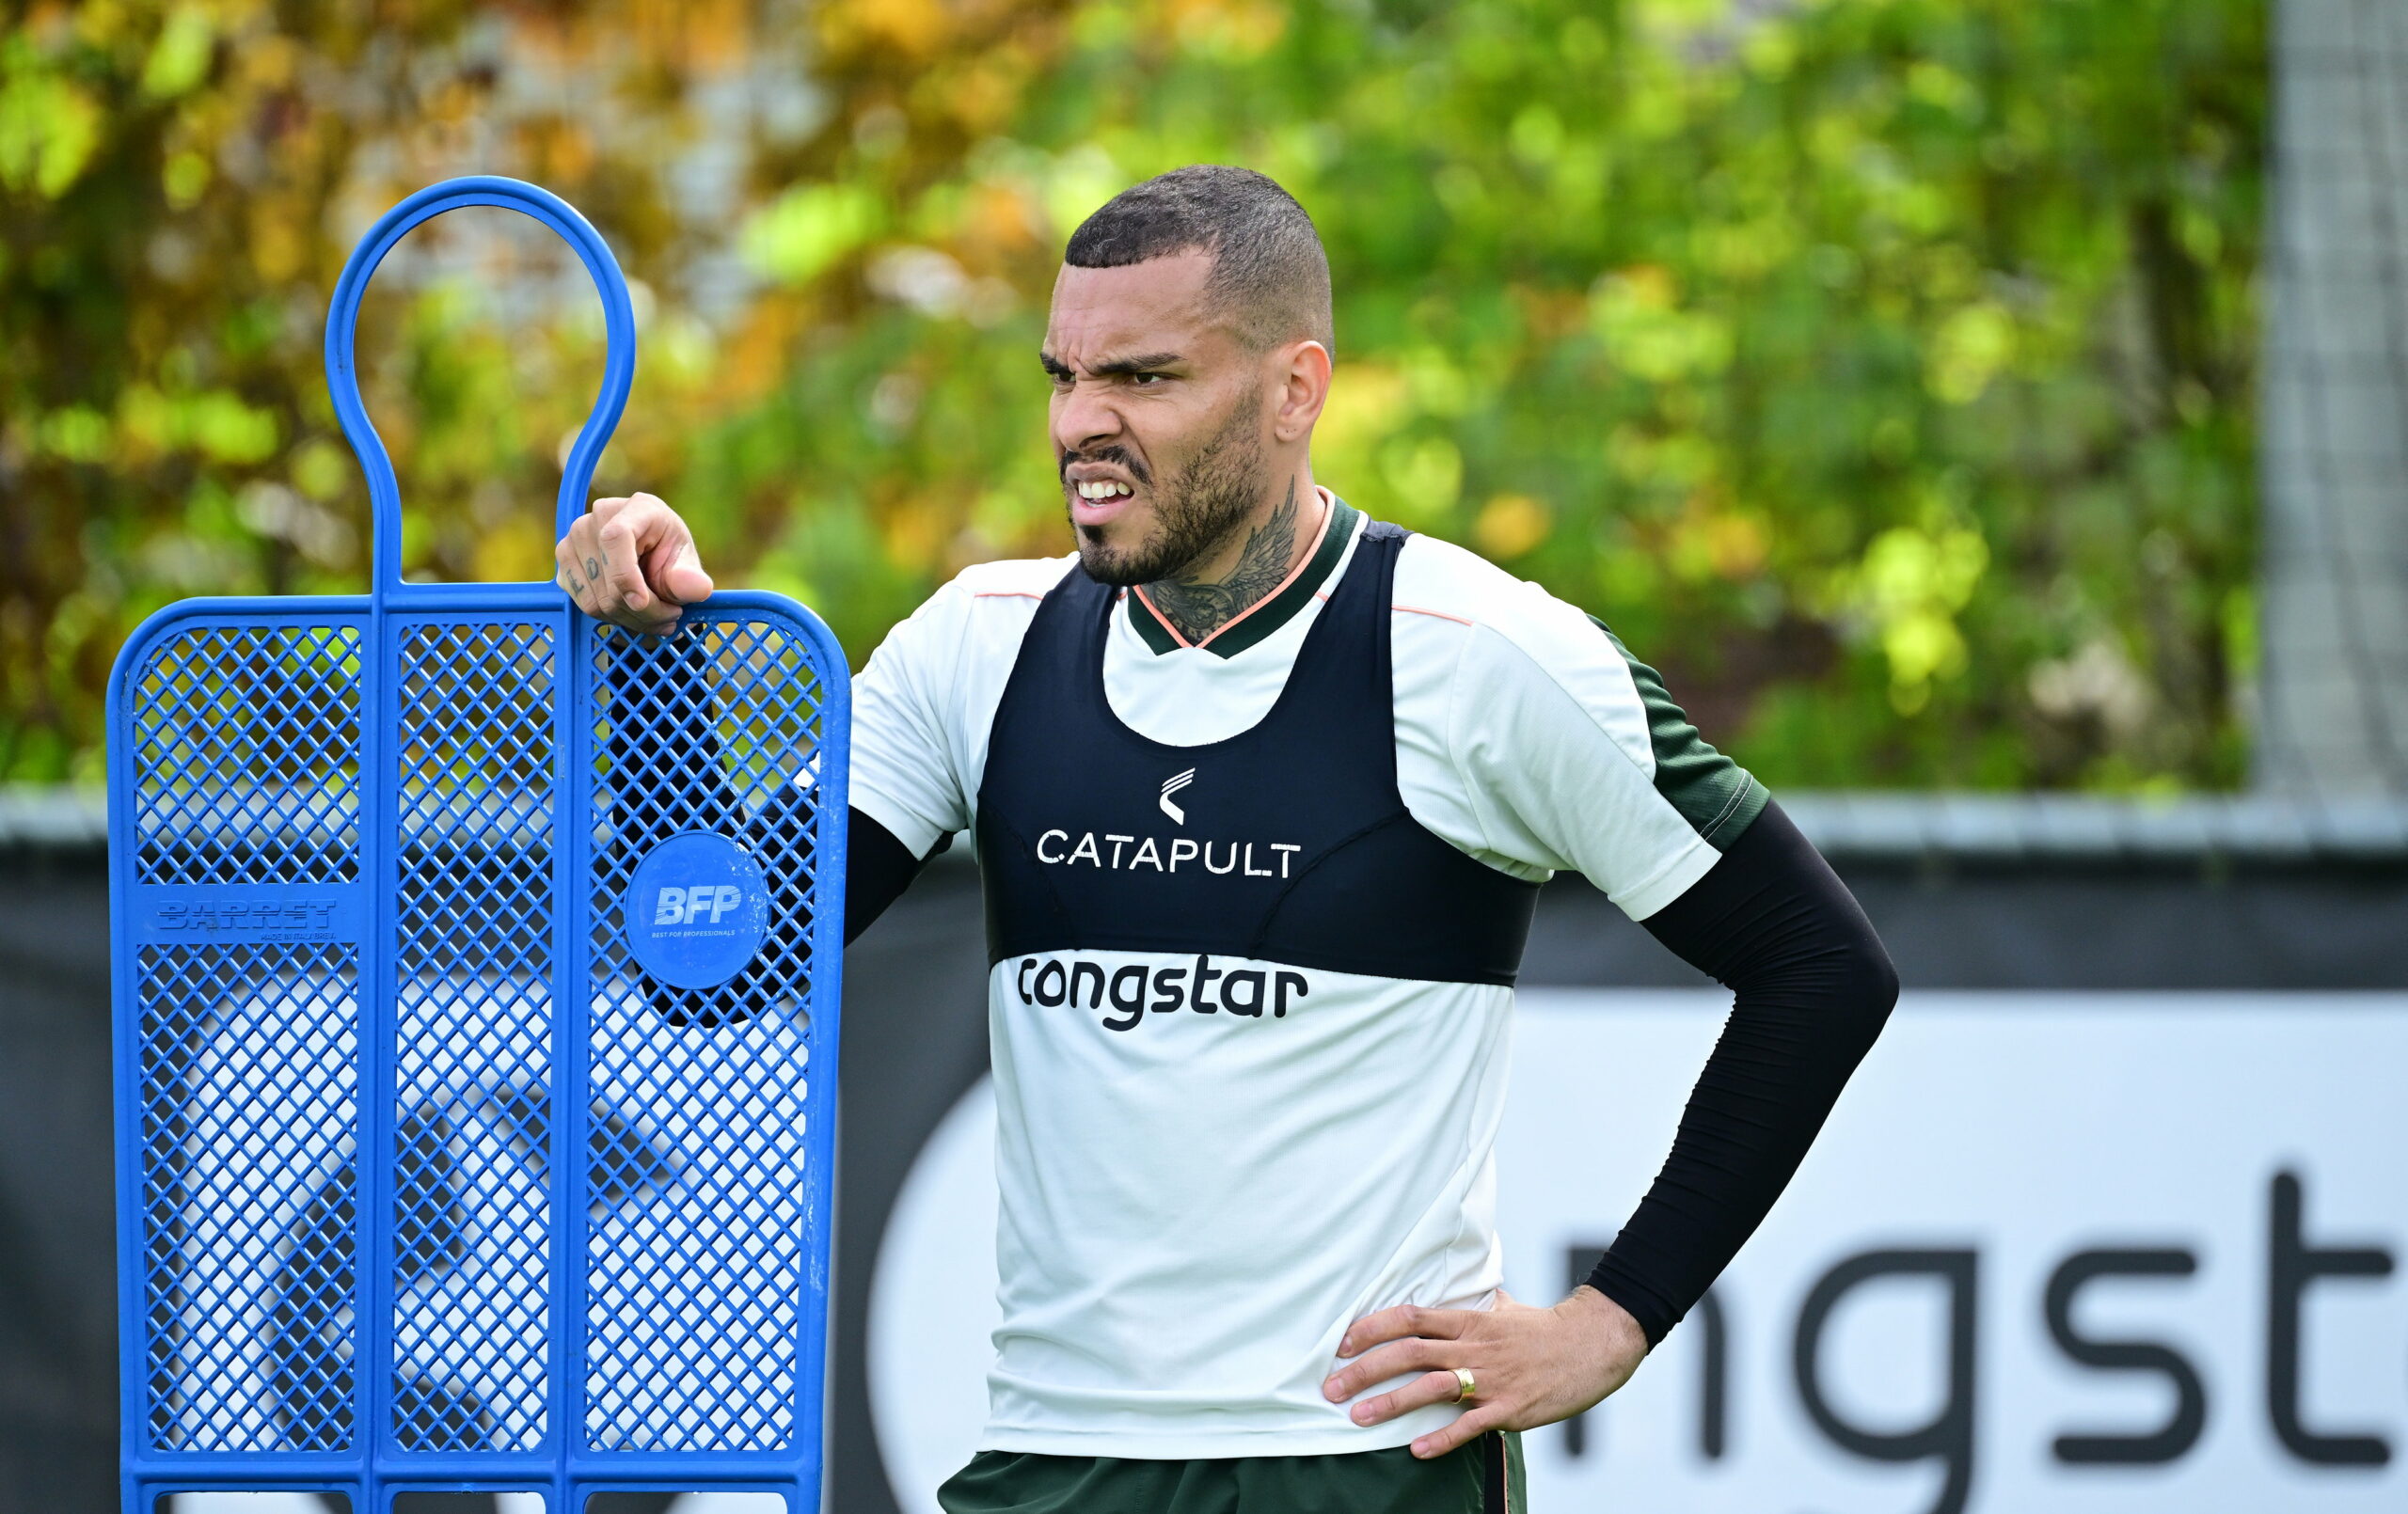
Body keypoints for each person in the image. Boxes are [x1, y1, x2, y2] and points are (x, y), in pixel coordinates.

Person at [558, 165, 1897, 1514]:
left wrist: (1613, 1318)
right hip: (1055, 1459)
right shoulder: (980, 641)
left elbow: (1820, 964)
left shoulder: (1479, 653)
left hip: (1364, 1468)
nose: (1082, 425)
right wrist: (650, 661)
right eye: (1064, 376)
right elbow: (709, 966)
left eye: (1141, 379)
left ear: (1293, 388)